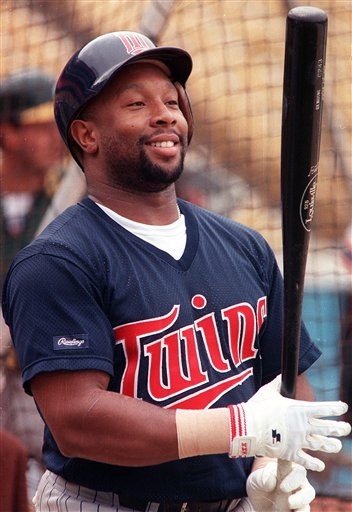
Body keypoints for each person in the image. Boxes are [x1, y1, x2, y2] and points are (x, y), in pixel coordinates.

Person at [2, 31, 351, 512]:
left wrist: (273, 468)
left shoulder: (244, 245)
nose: (166, 113)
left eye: (172, 100)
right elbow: (79, 420)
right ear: (86, 135)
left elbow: (287, 385)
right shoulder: (57, 262)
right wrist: (239, 430)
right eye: (136, 104)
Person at [0, 68, 66, 500]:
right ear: (6, 132)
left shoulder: (74, 199)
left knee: (53, 471)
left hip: (40, 368)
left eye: (54, 126)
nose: (53, 138)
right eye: (38, 127)